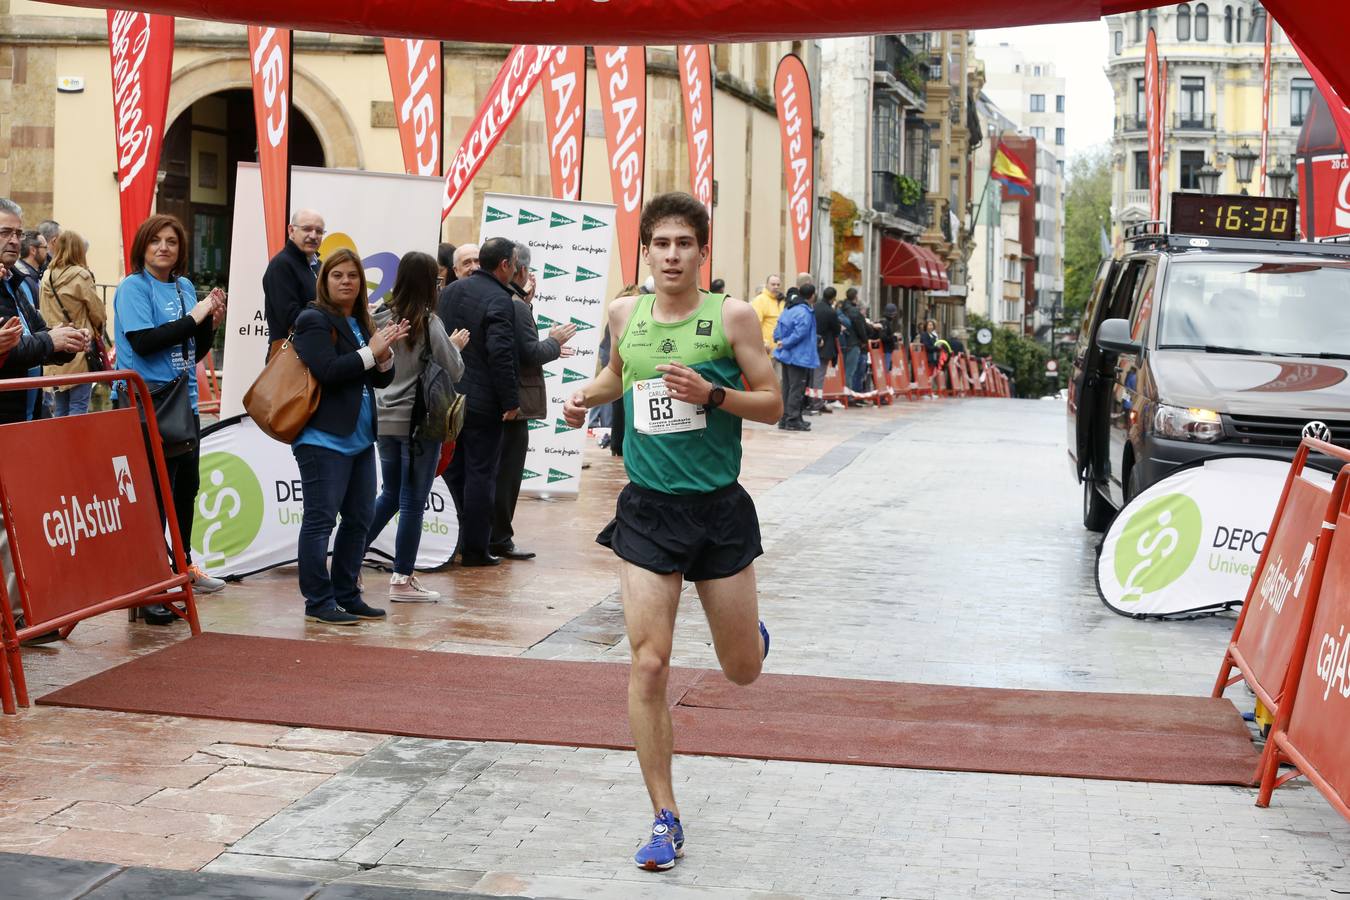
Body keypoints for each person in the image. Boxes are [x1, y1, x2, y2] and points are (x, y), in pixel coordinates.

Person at [561, 192, 780, 873]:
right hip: (648, 510)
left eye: (685, 244)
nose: (674, 255)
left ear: (701, 251)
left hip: (717, 510)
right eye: (662, 244)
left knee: (740, 671)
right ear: (647, 251)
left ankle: (747, 636)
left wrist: (712, 395)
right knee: (648, 662)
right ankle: (664, 815)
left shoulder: (732, 317)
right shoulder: (625, 312)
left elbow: (772, 402)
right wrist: (583, 399)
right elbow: (618, 375)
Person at [113, 213, 228, 622]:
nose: (164, 247)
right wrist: (195, 317)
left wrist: (208, 325)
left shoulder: (182, 288)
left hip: (184, 404)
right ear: (142, 245)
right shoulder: (132, 287)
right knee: (152, 500)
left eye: (172, 242)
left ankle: (182, 568)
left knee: (185, 491)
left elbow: (189, 350)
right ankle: (150, 589)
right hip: (145, 407)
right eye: (156, 241)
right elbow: (145, 344)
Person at [291, 248, 407, 625]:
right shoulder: (312, 319)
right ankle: (318, 601)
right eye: (337, 275)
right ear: (324, 281)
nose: (346, 281)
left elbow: (378, 378)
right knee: (320, 522)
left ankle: (347, 594)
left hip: (359, 438)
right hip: (322, 439)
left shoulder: (359, 321)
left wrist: (384, 357)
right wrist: (370, 354)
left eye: (353, 276)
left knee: (358, 519)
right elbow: (327, 370)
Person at [366, 251, 467, 601]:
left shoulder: (379, 319)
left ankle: (346, 560)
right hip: (418, 425)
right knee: (412, 501)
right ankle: (402, 580)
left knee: (390, 494)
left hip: (383, 421)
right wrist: (454, 346)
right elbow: (454, 370)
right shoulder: (428, 322)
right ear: (430, 283)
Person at [0, 198, 79, 645]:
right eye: (6, 234)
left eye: (19, 233)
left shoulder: (18, 283)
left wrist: (64, 343)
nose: (15, 241)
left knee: (16, 520)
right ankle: (13, 619)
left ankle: (19, 616)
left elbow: (30, 337)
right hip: (6, 415)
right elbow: (13, 348)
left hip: (26, 415)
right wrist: (49, 341)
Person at [437, 236, 520, 567]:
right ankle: (474, 549)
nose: (514, 269)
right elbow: (501, 355)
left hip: (448, 397)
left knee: (454, 473)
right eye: (514, 264)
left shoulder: (451, 291)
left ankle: (453, 542)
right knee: (481, 475)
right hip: (483, 405)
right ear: (504, 265)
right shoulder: (500, 299)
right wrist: (510, 401)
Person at [489, 244, 575, 561]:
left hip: (489, 401)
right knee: (508, 473)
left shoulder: (502, 300)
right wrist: (555, 341)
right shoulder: (516, 306)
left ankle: (490, 535)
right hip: (512, 404)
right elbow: (530, 353)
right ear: (521, 270)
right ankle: (500, 537)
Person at [39, 230, 105, 416]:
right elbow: (97, 313)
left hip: (55, 346)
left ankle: (60, 445)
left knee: (60, 407)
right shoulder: (81, 276)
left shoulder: (46, 276)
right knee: (79, 405)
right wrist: (97, 330)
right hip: (78, 344)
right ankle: (76, 445)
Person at [263, 208, 325, 346]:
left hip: (317, 352)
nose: (314, 236)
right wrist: (332, 312)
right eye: (307, 229)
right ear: (291, 231)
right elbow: (291, 318)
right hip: (291, 356)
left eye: (319, 231)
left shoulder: (318, 265)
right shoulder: (281, 265)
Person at [773, 282, 817, 431]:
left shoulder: (787, 309)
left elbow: (777, 330)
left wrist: (780, 342)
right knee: (796, 388)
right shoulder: (804, 311)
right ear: (812, 295)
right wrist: (785, 343)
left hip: (786, 355)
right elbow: (800, 333)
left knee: (787, 387)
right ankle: (792, 419)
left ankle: (786, 418)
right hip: (799, 356)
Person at [810, 285, 840, 414]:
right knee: (819, 376)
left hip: (812, 344)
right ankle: (816, 402)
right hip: (825, 346)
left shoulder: (814, 307)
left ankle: (810, 399)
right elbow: (837, 330)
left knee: (812, 375)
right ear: (833, 298)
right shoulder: (830, 312)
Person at [841, 288, 871, 393]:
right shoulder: (855, 312)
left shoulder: (842, 308)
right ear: (855, 297)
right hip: (853, 343)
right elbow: (861, 329)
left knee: (844, 370)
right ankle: (848, 394)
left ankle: (844, 392)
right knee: (850, 371)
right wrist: (865, 340)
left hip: (843, 343)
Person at [750, 273, 783, 356]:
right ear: (767, 285)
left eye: (778, 285)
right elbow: (755, 325)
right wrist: (763, 342)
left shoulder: (782, 301)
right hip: (766, 349)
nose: (776, 287)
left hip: (780, 350)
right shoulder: (760, 300)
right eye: (773, 284)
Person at [13, 230, 46, 301]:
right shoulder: (22, 279)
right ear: (33, 250)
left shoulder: (35, 275)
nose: (47, 251)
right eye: (45, 247)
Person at [880, 303, 903, 373]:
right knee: (885, 369)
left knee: (887, 368)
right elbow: (884, 337)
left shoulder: (886, 322)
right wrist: (894, 336)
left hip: (887, 349)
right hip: (886, 349)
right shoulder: (885, 322)